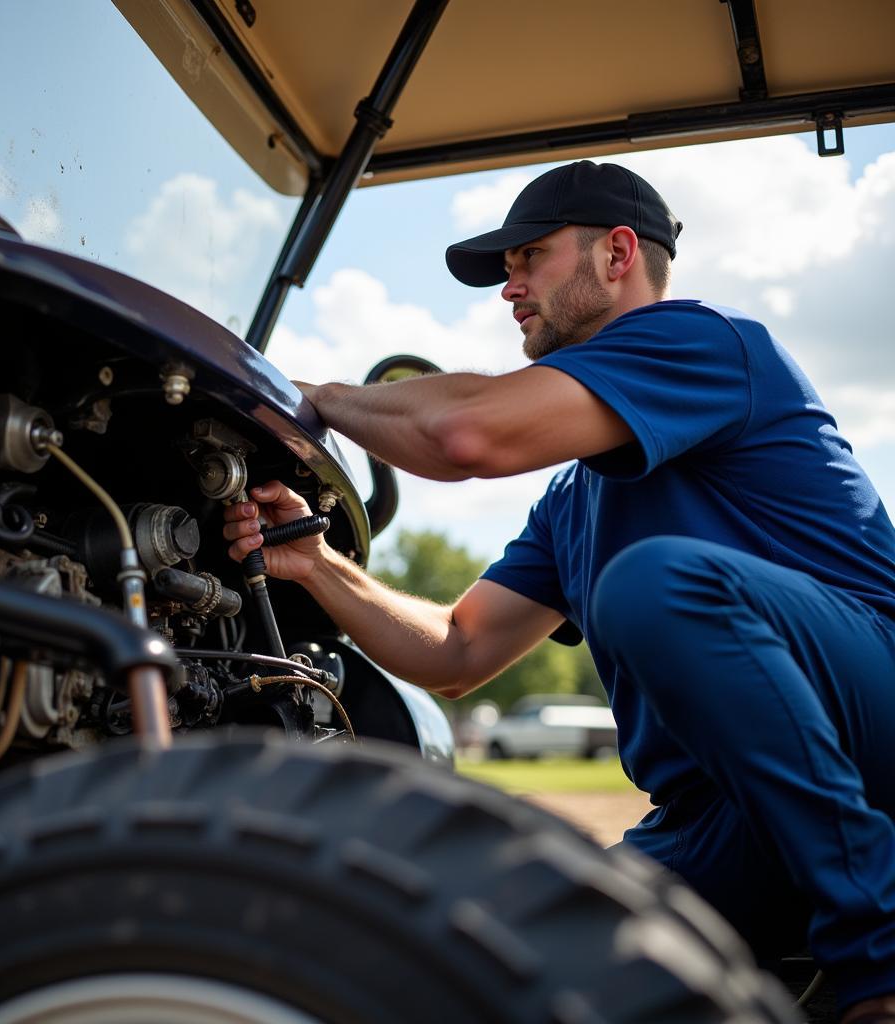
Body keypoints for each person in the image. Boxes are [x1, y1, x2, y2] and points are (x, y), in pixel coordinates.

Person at [223, 160, 895, 1022]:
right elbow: (456, 650)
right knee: (507, 948)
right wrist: (318, 565)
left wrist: (306, 402)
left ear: (618, 254)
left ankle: (879, 961)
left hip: (868, 721)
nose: (509, 288)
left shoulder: (709, 341)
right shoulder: (576, 501)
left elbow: (465, 432)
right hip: (718, 819)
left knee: (654, 586)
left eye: (528, 257)